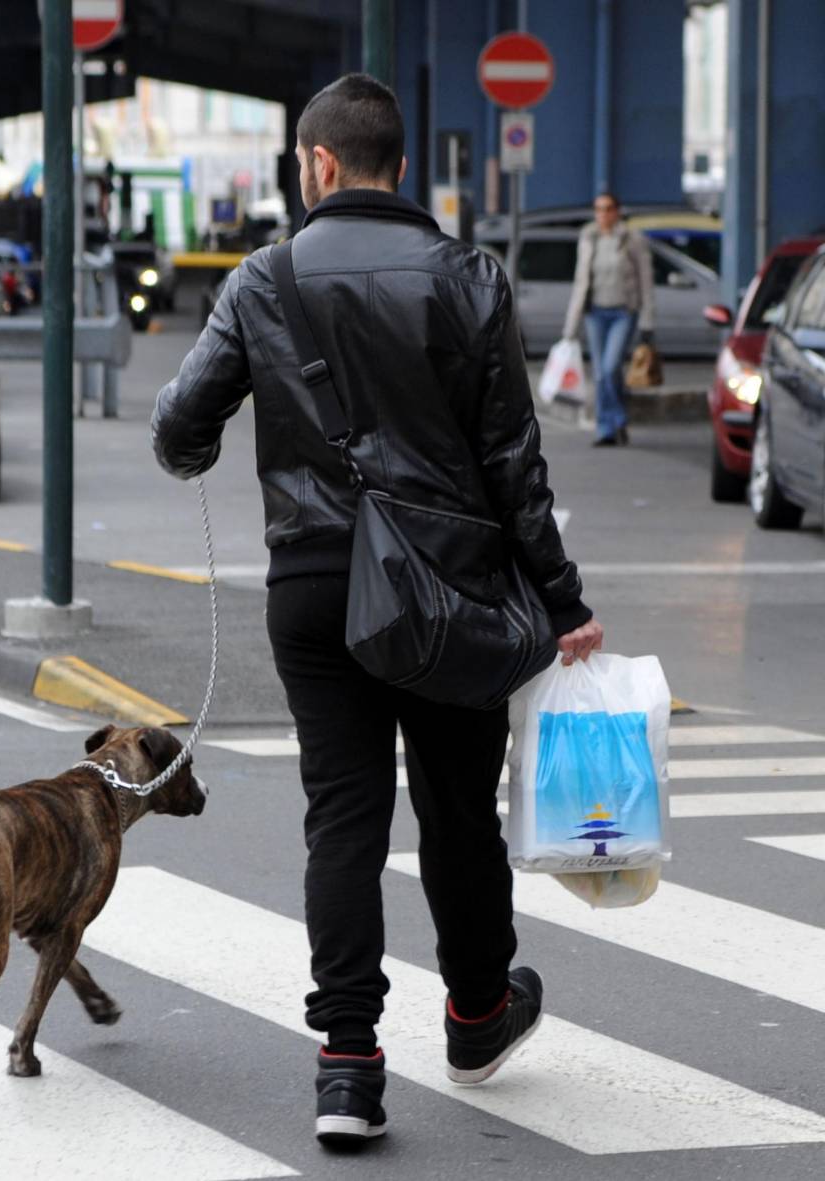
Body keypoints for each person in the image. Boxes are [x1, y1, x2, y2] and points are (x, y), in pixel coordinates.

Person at [150, 73, 602, 1149]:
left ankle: (347, 1065)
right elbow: (512, 465)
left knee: (342, 817)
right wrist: (562, 597)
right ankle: (479, 1013)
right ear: (400, 165)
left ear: (315, 164)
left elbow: (179, 427)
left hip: (314, 586)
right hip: (450, 589)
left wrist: (217, 437)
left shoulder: (264, 278)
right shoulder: (470, 277)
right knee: (455, 812)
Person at [561, 192, 656, 446]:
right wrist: (570, 327)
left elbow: (646, 282)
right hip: (596, 313)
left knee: (611, 366)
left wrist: (647, 321)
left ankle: (616, 419)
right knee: (602, 374)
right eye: (598, 209)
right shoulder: (588, 237)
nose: (603, 214)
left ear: (617, 211)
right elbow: (580, 281)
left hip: (623, 312)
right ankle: (609, 426)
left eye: (608, 208)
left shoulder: (632, 239)